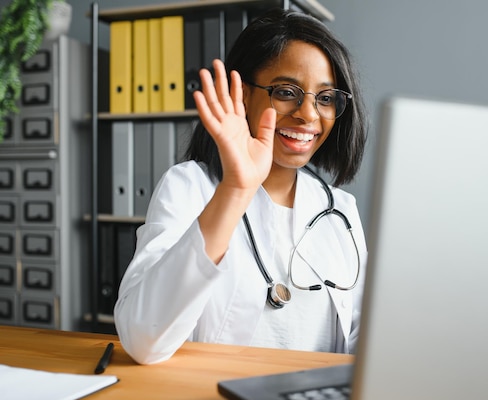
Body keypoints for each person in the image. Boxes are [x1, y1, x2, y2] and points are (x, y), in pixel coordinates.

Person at [114, 8, 369, 365]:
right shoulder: (190, 187)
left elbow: (365, 341)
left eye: (325, 98)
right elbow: (143, 340)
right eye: (286, 91)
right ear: (243, 95)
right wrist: (236, 189)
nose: (308, 114)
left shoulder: (340, 209)